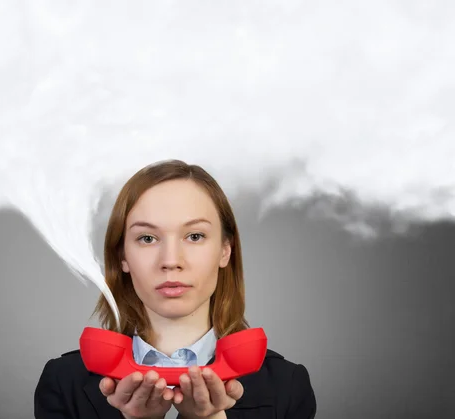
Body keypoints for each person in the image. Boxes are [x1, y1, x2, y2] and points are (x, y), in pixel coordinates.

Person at [34, 159, 316, 419]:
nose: (171, 261)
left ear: (225, 251)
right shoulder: (63, 382)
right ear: (122, 257)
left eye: (195, 236)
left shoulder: (287, 386)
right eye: (147, 238)